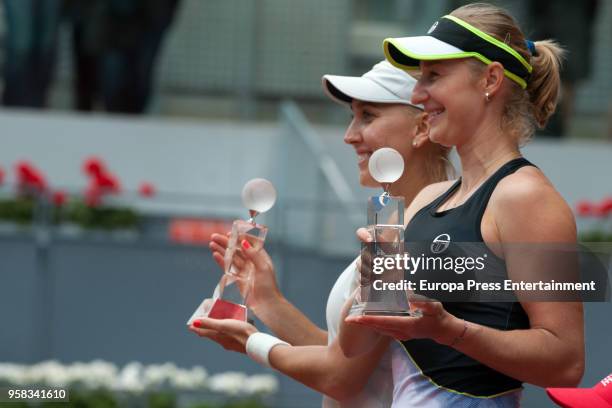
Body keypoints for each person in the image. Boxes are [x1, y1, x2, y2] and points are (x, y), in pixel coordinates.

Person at [337, 3, 584, 406]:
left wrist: (447, 329)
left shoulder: (527, 198)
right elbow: (354, 345)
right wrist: (373, 282)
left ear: (490, 78)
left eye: (433, 76)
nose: (418, 94)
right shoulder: (428, 200)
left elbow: (567, 362)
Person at [189, 60, 451, 407]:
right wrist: (267, 300)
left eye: (368, 116)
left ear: (420, 127)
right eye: (352, 116)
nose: (349, 135)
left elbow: (341, 377)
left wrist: (251, 341)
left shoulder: (414, 233)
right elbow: (346, 356)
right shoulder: (396, 222)